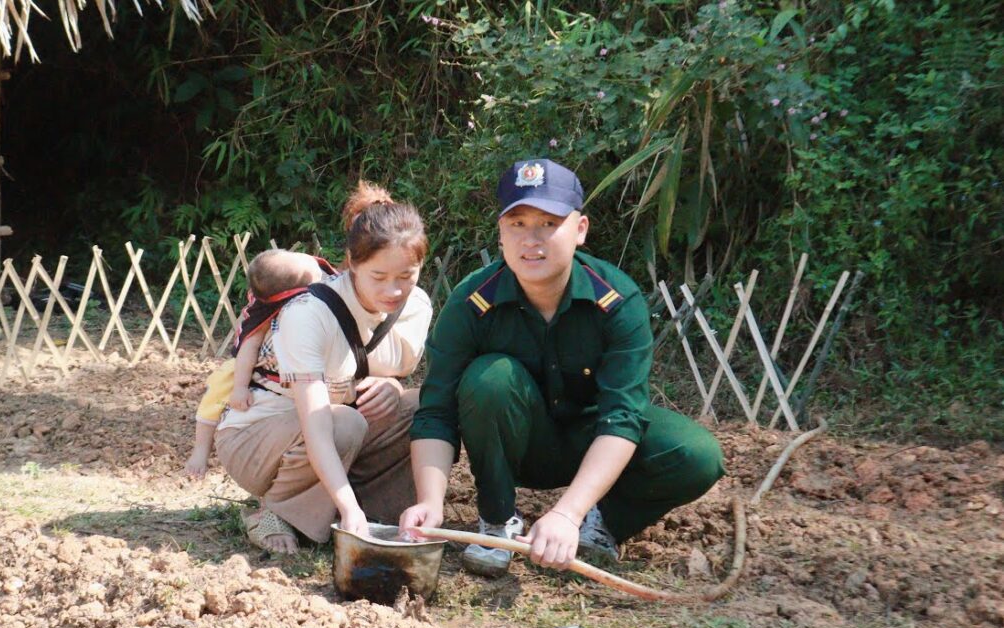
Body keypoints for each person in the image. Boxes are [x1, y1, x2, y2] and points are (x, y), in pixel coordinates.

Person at [400, 158, 725, 577]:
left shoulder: (617, 302)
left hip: (593, 444)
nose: (531, 239)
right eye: (516, 223)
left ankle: (600, 523)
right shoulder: (471, 303)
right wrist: (431, 501)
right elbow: (435, 413)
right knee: (491, 378)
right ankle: (498, 520)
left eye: (549, 223)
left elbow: (623, 418)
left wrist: (568, 513)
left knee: (696, 455)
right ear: (500, 233)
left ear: (581, 229)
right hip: (516, 446)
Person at [215, 181, 433, 554]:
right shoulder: (310, 313)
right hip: (258, 435)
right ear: (351, 262)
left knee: (422, 408)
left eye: (406, 277)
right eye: (378, 277)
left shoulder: (415, 308)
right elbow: (317, 424)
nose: (393, 291)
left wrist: (394, 388)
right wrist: (346, 504)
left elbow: (379, 368)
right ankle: (275, 510)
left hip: (338, 424)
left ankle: (370, 516)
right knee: (344, 423)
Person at [184, 249, 333, 478]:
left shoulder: (316, 295)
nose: (312, 261)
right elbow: (248, 346)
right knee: (215, 394)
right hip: (246, 364)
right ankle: (201, 448)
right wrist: (240, 387)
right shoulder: (269, 308)